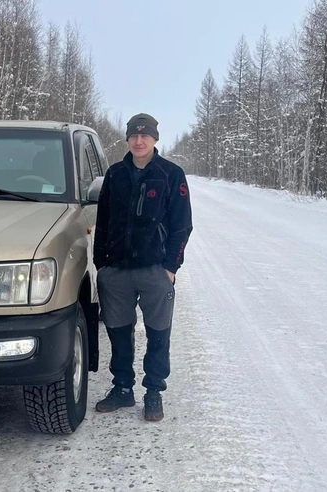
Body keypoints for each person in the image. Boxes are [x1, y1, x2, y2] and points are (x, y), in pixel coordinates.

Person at [93, 113, 193, 422]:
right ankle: (122, 388)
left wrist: (171, 266)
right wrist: (101, 265)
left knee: (158, 333)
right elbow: (103, 222)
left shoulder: (170, 174)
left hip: (154, 271)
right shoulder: (114, 174)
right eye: (134, 136)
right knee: (119, 333)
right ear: (127, 139)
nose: (139, 141)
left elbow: (182, 225)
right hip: (117, 271)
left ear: (154, 139)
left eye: (145, 136)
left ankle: (153, 391)